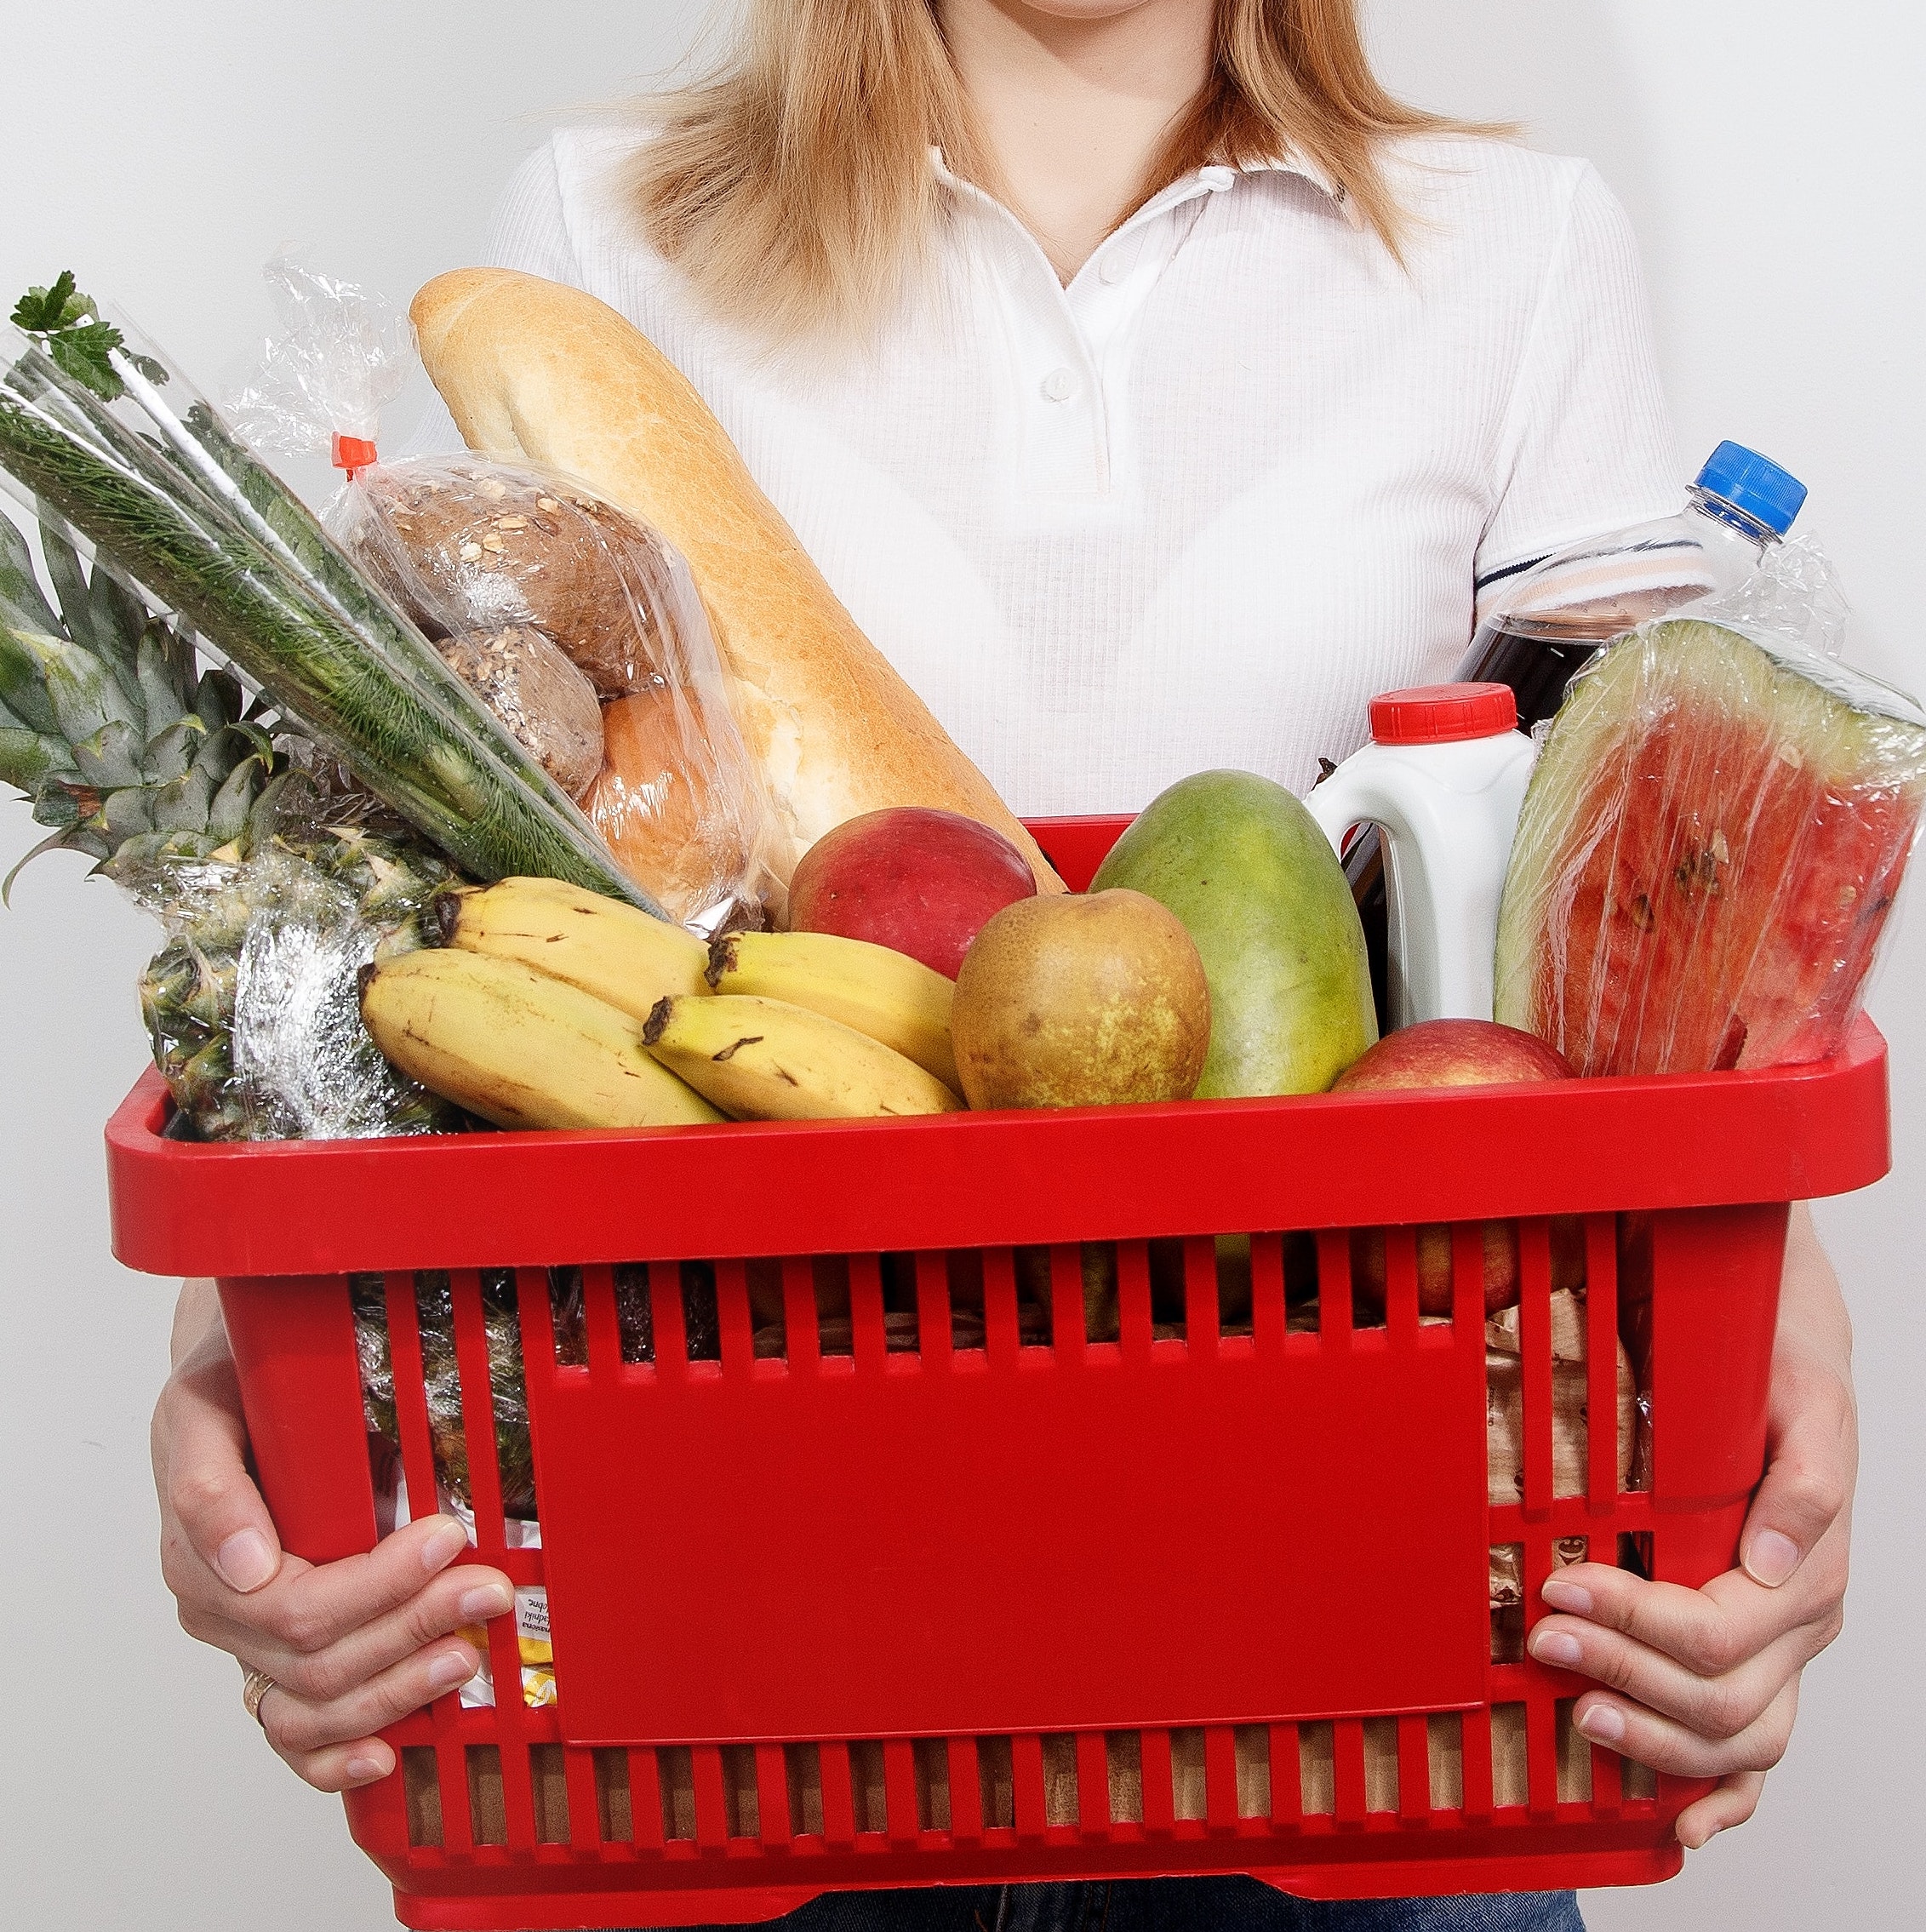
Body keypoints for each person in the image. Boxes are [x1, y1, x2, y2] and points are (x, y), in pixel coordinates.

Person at [150, 3, 1856, 1925]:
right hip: (746, 1630)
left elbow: (1651, 922)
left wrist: (1778, 1338)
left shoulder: (1517, 247)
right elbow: (459, 857)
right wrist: (252, 1369)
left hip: (1368, 1640)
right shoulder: (598, 230)